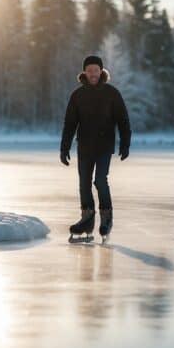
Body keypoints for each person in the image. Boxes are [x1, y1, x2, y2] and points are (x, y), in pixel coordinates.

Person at [60, 55, 131, 242]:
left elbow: (123, 120)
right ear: (84, 72)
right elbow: (69, 124)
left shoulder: (112, 93)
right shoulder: (77, 95)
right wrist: (64, 148)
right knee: (84, 182)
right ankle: (87, 219)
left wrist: (125, 143)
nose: (93, 74)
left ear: (101, 72)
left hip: (104, 146)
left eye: (96, 70)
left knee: (100, 180)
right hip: (84, 146)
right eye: (89, 70)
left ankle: (106, 218)